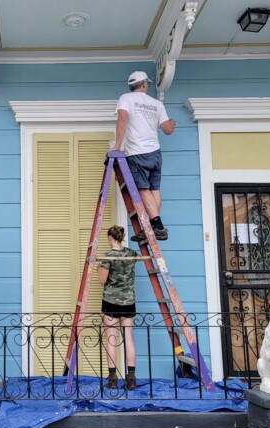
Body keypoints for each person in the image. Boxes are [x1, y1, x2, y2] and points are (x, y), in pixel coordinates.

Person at [112, 70, 176, 242]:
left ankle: (157, 227)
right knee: (154, 189)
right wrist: (172, 124)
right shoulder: (156, 104)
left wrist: (117, 146)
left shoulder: (126, 98)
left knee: (143, 189)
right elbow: (168, 130)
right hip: (155, 153)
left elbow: (123, 119)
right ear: (144, 84)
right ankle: (151, 229)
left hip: (137, 152)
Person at [98, 225, 138, 390]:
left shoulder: (107, 256)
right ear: (121, 238)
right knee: (128, 338)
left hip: (111, 302)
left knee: (111, 339)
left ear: (110, 238)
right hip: (128, 301)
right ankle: (131, 380)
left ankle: (113, 380)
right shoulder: (132, 254)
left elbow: (102, 280)